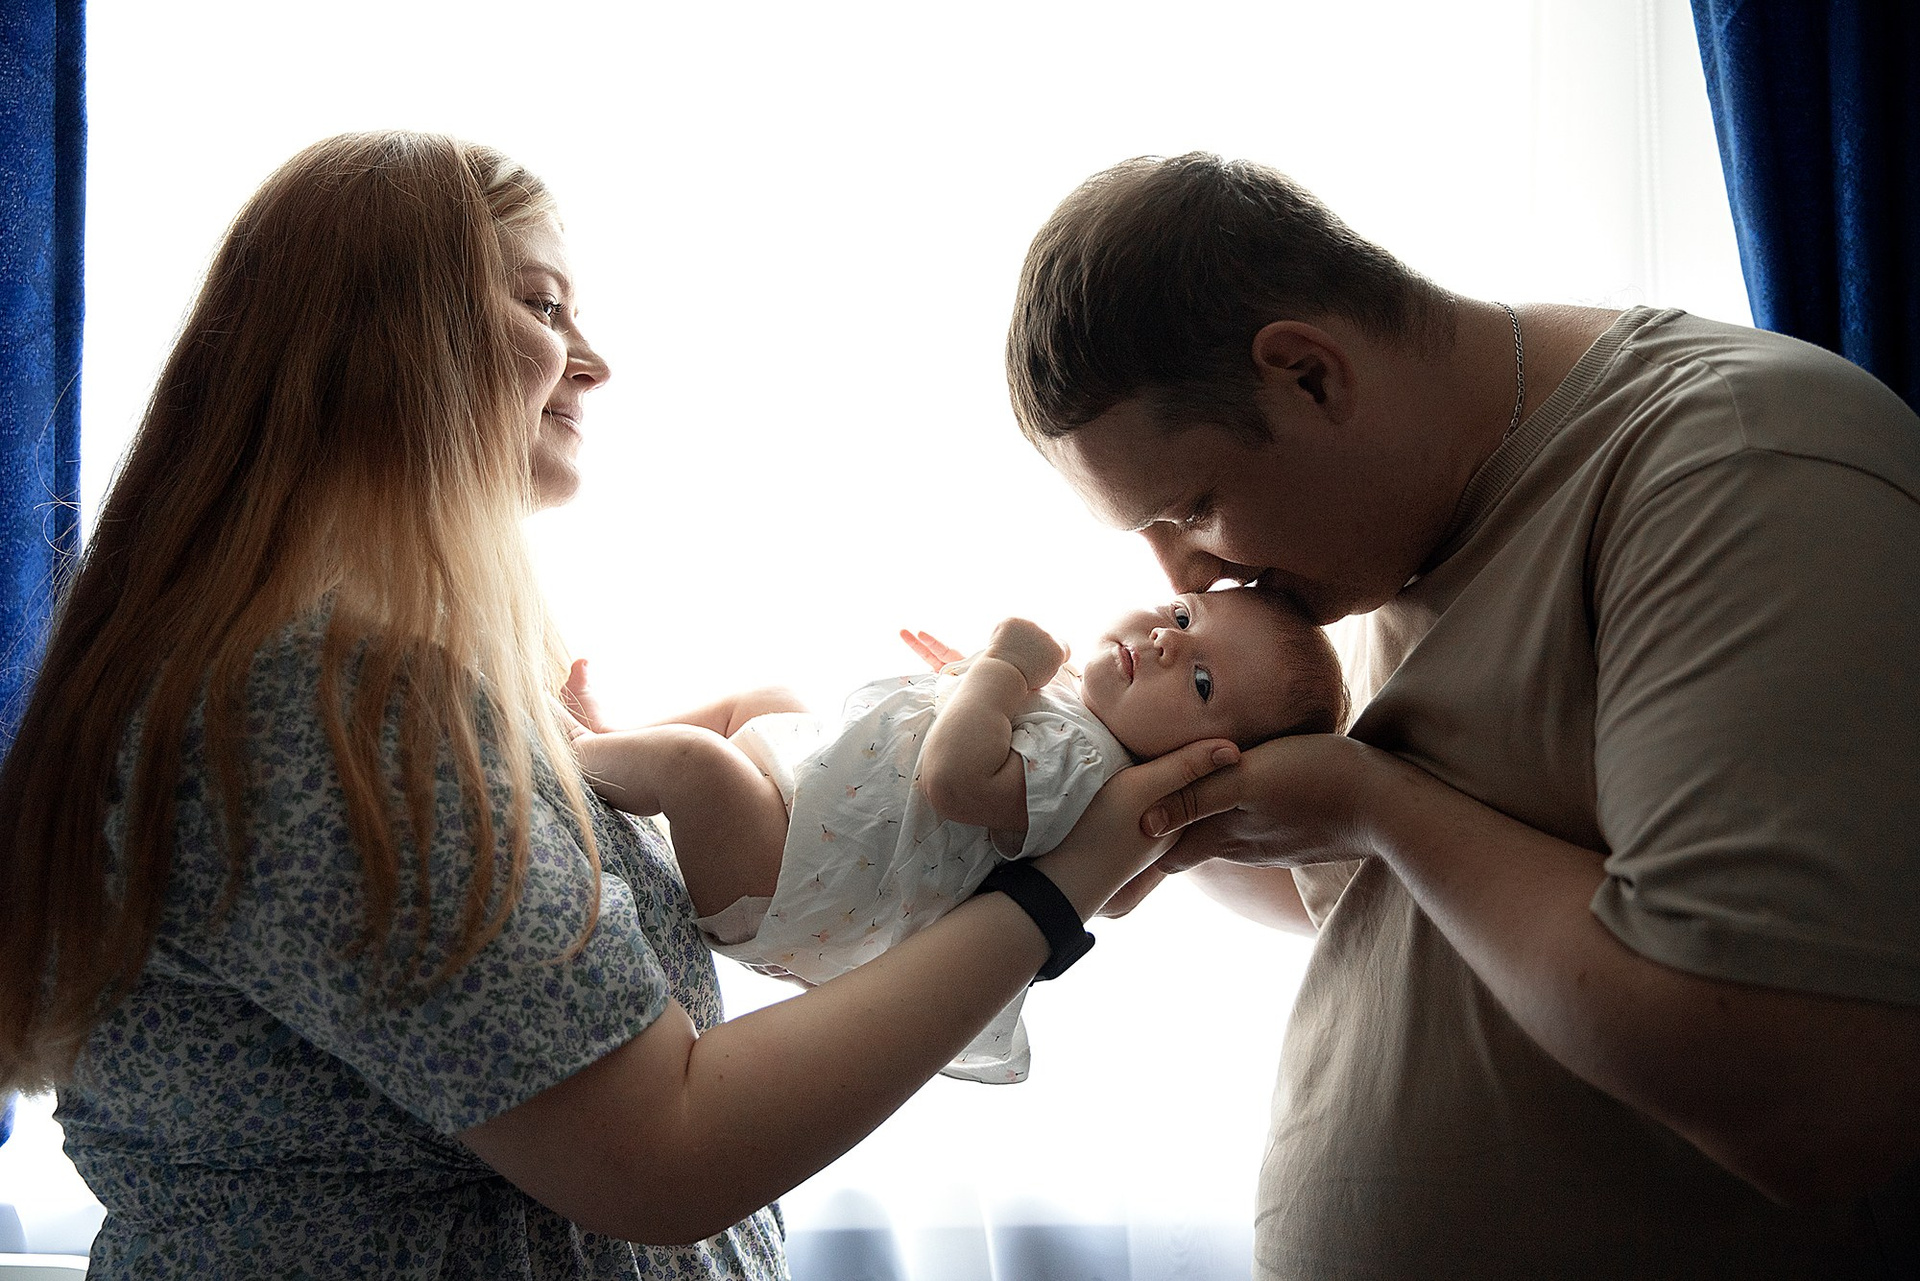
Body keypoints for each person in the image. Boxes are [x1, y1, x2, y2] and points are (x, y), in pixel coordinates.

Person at [0, 132, 1242, 1280]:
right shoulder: (318, 710)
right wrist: (1060, 884)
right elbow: (668, 1152)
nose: (594, 360)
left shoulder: (355, 684)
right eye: (543, 306)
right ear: (381, 340)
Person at [1006, 152, 1920, 1278]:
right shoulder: (1359, 560)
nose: (1186, 577)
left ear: (1308, 375)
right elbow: (1392, 919)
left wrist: (1375, 804)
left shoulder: (1734, 462)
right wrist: (1133, 788)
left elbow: (1804, 1096)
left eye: (1192, 507)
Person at [570, 589, 1346, 1082]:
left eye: (1202, 682)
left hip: (784, 877)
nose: (1169, 641)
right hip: (808, 826)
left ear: (1197, 756)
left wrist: (1000, 670)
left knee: (696, 764)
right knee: (763, 700)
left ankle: (569, 759)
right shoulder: (1086, 737)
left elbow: (953, 778)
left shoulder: (1084, 766)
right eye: (1183, 614)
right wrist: (968, 686)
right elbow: (1114, 896)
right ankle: (618, 739)